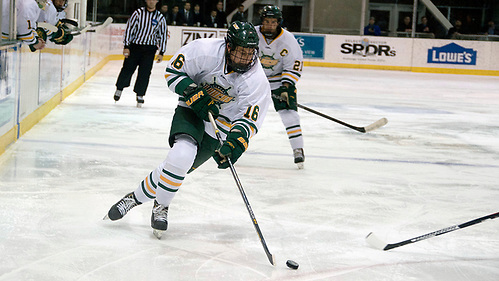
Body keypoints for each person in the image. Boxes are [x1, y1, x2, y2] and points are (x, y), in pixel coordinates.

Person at [104, 21, 271, 239]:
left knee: (176, 168)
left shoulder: (256, 80)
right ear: (228, 46)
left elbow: (248, 120)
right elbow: (173, 71)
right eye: (240, 52)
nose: (246, 59)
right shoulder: (205, 51)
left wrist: (234, 143)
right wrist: (192, 91)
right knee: (181, 155)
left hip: (222, 123)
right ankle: (161, 206)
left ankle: (134, 198)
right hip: (193, 106)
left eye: (250, 53)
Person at [255, 5, 305, 169]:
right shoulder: (252, 34)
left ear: (278, 22)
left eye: (273, 22)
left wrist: (285, 86)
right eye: (267, 21)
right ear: (262, 21)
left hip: (278, 81)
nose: (270, 25)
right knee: (235, 108)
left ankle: (298, 149)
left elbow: (294, 65)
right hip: (254, 80)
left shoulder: (288, 39)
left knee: (290, 114)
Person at [113, 0, 168, 108]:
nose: (151, 1)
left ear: (157, 1)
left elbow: (163, 34)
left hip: (149, 50)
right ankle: (119, 88)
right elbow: (129, 29)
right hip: (135, 47)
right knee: (127, 68)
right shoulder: (138, 13)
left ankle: (140, 94)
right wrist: (127, 46)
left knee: (145, 73)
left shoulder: (160, 17)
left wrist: (162, 52)